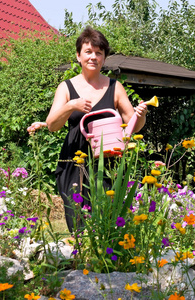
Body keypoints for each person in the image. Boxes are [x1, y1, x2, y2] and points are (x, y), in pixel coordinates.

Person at [44, 26, 147, 232]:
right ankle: (81, 261)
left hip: (108, 162)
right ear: (78, 56)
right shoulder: (66, 87)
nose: (93, 57)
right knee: (77, 219)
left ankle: (104, 262)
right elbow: (52, 125)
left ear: (104, 58)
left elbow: (133, 125)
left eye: (99, 53)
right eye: (88, 52)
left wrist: (141, 114)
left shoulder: (114, 87)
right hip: (74, 162)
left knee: (107, 218)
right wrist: (71, 105)